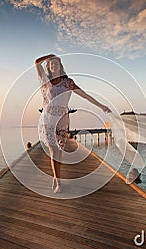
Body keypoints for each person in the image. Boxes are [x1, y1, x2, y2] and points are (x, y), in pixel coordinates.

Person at [35, 54, 111, 193]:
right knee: (53, 150)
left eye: (56, 63)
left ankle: (56, 175)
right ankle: (58, 181)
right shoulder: (45, 81)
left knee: (59, 149)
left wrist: (101, 106)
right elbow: (36, 63)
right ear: (49, 67)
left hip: (62, 119)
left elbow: (85, 95)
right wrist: (51, 56)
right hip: (48, 119)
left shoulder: (68, 83)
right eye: (51, 64)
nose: (53, 66)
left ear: (60, 66)